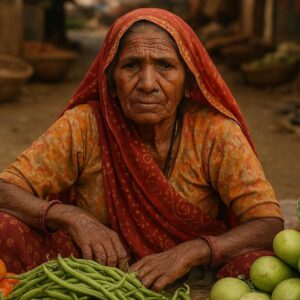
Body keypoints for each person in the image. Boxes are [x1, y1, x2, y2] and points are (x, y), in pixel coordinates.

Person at [0, 8, 283, 292]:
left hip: (196, 270)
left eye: (165, 66)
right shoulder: (86, 124)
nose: (148, 84)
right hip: (95, 271)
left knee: (258, 265)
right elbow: (5, 189)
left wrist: (190, 252)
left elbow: (268, 224)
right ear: (109, 81)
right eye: (131, 66)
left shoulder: (215, 132)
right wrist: (73, 218)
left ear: (189, 82)